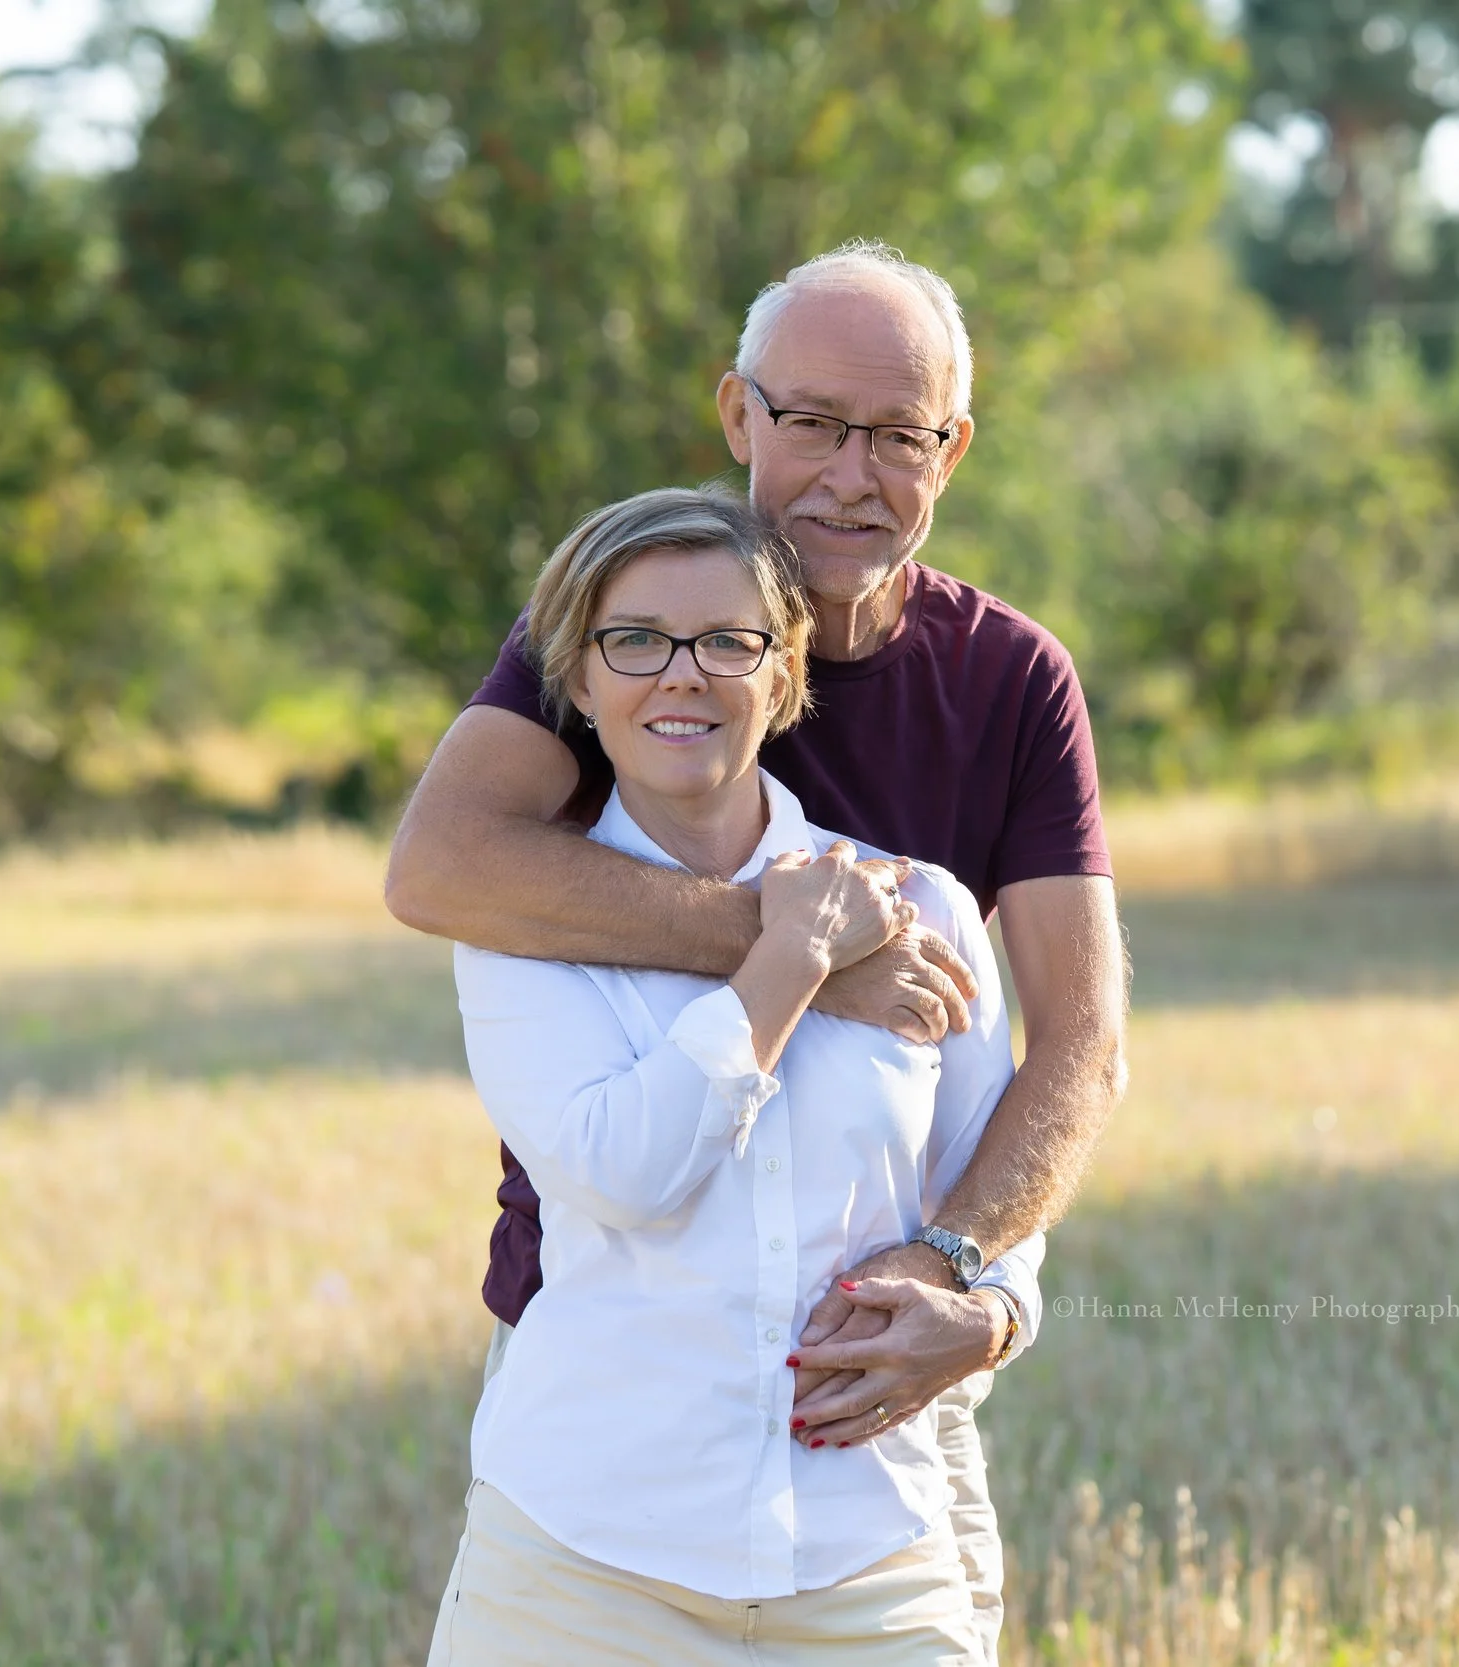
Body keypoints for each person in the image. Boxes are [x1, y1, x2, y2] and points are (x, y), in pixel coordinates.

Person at [388, 241, 1128, 1653]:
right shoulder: (616, 621)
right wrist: (800, 948)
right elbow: (443, 865)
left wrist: (970, 1274)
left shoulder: (1010, 678)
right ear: (740, 416)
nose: (852, 473)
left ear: (952, 449)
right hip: (615, 1370)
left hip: (874, 1411)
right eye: (812, 423)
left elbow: (1080, 1043)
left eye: (898, 435)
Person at [428, 487, 1043, 1664]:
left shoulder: (929, 909)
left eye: (728, 641)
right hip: (581, 1565)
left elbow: (987, 1180)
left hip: (872, 1556)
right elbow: (627, 1171)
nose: (681, 675)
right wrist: (789, 957)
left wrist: (997, 1305)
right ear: (580, 675)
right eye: (635, 641)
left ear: (782, 669)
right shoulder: (519, 924)